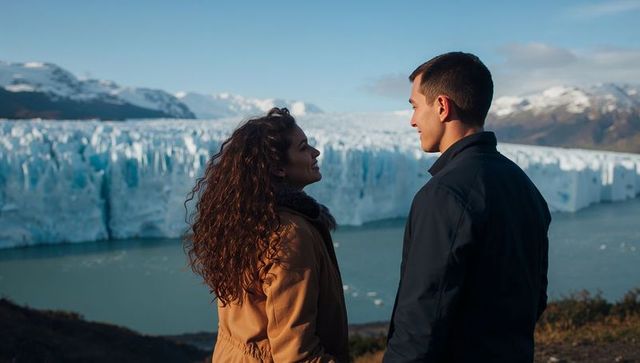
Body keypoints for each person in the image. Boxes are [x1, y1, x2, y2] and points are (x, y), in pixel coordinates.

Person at [383, 52, 551, 362]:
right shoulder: (524, 186)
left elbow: (422, 316)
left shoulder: (444, 194)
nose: (413, 120)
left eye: (415, 107)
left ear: (442, 107)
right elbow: (535, 297)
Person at [184, 108, 349, 362]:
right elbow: (295, 354)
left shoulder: (244, 220)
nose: (315, 152)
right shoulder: (288, 234)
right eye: (304, 147)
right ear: (278, 168)